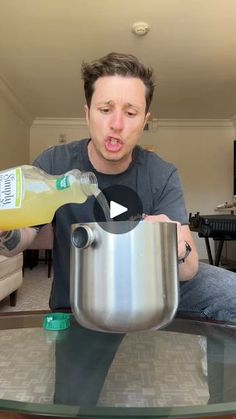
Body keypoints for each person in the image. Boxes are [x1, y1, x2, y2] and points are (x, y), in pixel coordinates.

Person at [1, 52, 236, 406]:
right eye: (105, 109)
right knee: (70, 404)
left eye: (130, 112)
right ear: (87, 112)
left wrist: (175, 244)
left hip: (154, 289)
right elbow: (25, 236)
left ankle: (225, 406)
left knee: (230, 293)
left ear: (145, 119)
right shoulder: (54, 164)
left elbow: (187, 269)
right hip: (82, 298)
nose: (116, 124)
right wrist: (6, 231)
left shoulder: (161, 173)